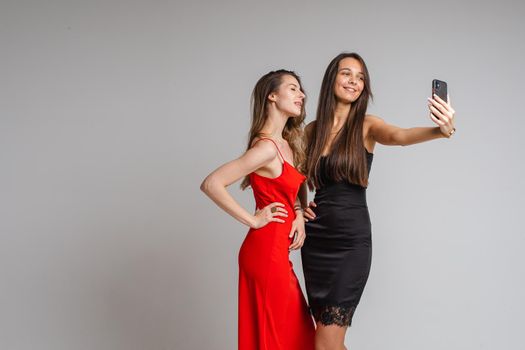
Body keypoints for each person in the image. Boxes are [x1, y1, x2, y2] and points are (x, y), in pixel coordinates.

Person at [300, 52, 456, 350]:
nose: (354, 82)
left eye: (360, 78)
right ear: (332, 78)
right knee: (326, 340)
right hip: (316, 241)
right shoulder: (312, 130)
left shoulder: (367, 125)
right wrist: (298, 207)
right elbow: (293, 176)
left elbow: (400, 135)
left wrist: (442, 130)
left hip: (351, 242)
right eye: (347, 74)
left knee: (325, 342)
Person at [200, 70, 315, 350]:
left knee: (295, 336)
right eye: (293, 89)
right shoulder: (265, 148)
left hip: (276, 252)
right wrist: (253, 219)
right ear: (272, 96)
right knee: (282, 338)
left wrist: (298, 213)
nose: (301, 95)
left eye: (301, 90)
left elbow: (292, 186)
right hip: (265, 253)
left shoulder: (286, 145)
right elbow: (212, 183)